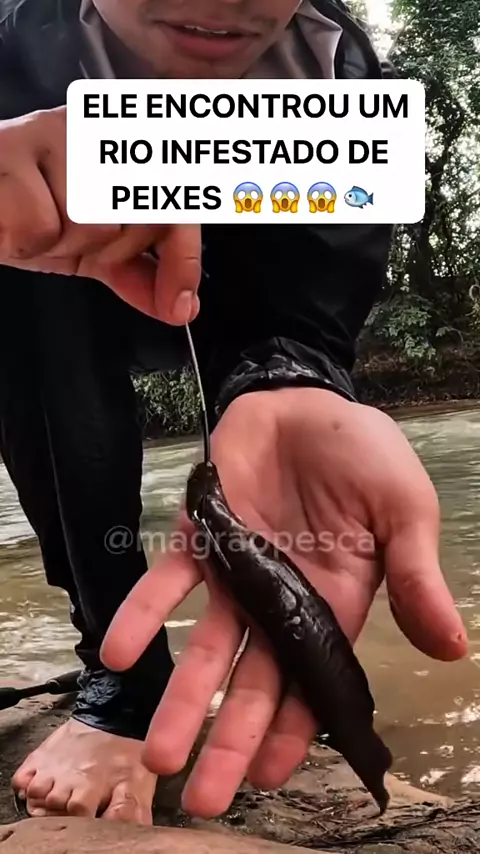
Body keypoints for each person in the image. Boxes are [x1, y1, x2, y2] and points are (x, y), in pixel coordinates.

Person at [0, 0, 467, 827]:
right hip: (57, 291)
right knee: (32, 319)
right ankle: (120, 679)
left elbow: (308, 307)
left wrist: (290, 379)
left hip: (233, 281)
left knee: (274, 366)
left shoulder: (336, 68)